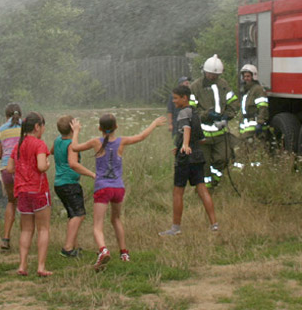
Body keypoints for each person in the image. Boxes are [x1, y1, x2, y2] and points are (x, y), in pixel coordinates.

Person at [71, 113, 167, 271]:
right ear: (116, 127)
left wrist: (76, 131)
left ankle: (103, 250)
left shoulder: (96, 142)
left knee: (97, 226)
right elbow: (141, 136)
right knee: (116, 219)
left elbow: (74, 147)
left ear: (99, 128)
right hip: (118, 188)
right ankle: (124, 254)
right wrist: (154, 124)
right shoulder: (122, 141)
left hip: (102, 187)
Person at [159, 85, 218, 236]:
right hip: (198, 156)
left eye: (175, 98)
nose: (173, 101)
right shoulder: (195, 112)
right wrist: (181, 146)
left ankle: (175, 228)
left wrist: (184, 146)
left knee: (178, 192)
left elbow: (186, 129)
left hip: (185, 158)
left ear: (184, 98)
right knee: (202, 189)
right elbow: (201, 139)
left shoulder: (183, 112)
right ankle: (214, 225)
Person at [6, 112, 52, 277]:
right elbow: (41, 166)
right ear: (37, 127)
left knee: (26, 230)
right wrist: (46, 164)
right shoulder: (39, 144)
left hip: (22, 192)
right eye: (43, 126)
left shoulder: (18, 145)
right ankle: (40, 266)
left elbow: (10, 168)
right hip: (38, 191)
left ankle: (22, 265)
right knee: (43, 229)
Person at [51, 115, 95, 259]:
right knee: (79, 214)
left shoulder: (58, 140)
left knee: (73, 214)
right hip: (69, 183)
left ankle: (74, 245)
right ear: (72, 128)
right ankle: (68, 248)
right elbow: (73, 164)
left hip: (59, 184)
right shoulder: (71, 144)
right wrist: (93, 175)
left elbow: (51, 151)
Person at [190, 55, 234, 188]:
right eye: (210, 74)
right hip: (203, 134)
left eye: (216, 75)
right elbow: (190, 110)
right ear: (204, 71)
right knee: (204, 164)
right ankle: (205, 190)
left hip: (221, 133)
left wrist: (227, 116)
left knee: (224, 158)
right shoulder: (195, 87)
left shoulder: (223, 85)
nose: (213, 77)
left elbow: (233, 103)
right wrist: (206, 115)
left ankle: (215, 181)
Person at [0, 103, 21, 251]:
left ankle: (6, 238)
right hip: (21, 169)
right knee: (24, 202)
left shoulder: (1, 129)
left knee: (11, 201)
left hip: (6, 169)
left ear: (6, 116)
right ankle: (26, 237)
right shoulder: (26, 127)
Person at [231, 64, 270, 139]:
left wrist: (260, 122)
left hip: (254, 125)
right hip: (245, 125)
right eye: (244, 76)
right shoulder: (246, 90)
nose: (246, 78)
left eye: (248, 76)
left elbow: (263, 107)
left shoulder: (258, 90)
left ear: (253, 76)